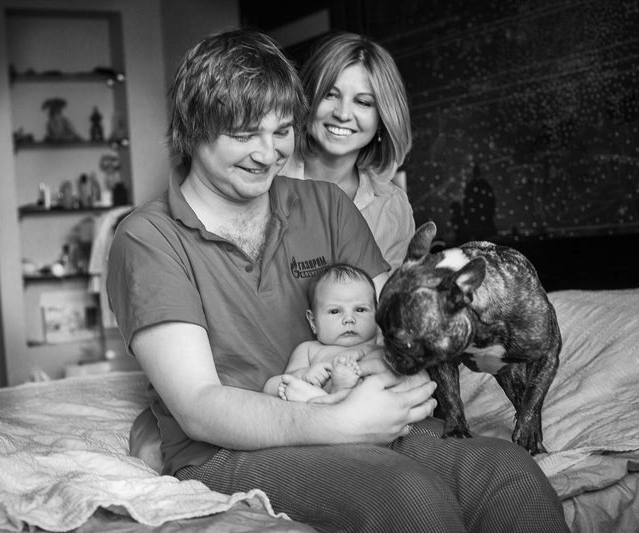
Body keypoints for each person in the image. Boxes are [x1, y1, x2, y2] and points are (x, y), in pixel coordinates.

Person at [110, 27, 569, 533]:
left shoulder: (327, 205)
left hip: (361, 418)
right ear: (193, 127)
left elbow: (396, 335)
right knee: (408, 499)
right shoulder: (147, 238)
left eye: (282, 131)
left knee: (511, 471)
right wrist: (336, 421)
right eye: (244, 135)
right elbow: (197, 406)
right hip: (228, 449)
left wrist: (380, 393)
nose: (267, 153)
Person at [281, 32, 415, 272]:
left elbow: (388, 294)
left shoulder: (393, 207)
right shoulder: (267, 173)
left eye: (363, 102)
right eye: (330, 94)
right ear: (307, 99)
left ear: (382, 118)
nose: (342, 114)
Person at [263, 263, 378, 402]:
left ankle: (338, 393)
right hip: (318, 406)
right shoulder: (309, 350)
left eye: (360, 310)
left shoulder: (379, 345)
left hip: (367, 404)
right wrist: (303, 375)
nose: (349, 319)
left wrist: (364, 351)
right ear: (313, 322)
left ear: (378, 315)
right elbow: (280, 384)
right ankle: (327, 396)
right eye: (335, 311)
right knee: (273, 385)